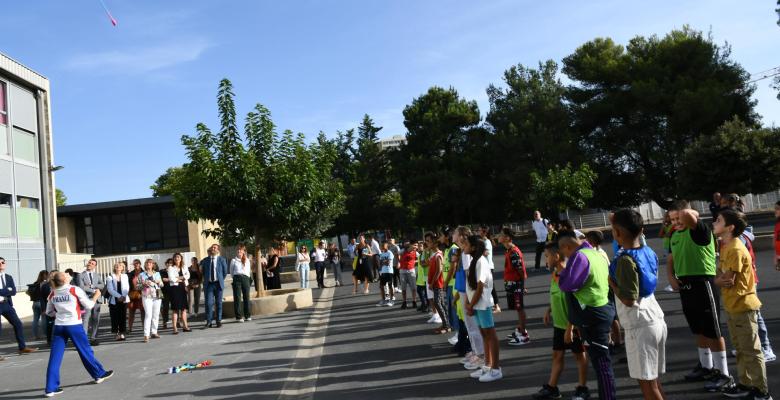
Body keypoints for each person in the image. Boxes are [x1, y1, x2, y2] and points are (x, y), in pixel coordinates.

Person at [667, 200, 732, 391]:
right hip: (686, 286)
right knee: (699, 329)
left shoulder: (700, 231)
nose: (676, 222)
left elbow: (687, 215)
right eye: (672, 219)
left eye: (678, 218)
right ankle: (706, 366)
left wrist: (687, 212)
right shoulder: (675, 235)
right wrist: (671, 276)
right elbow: (671, 259)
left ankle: (724, 374)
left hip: (703, 284)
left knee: (713, 330)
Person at [713, 210, 772, 400]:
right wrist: (718, 278)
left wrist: (717, 279)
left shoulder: (735, 249)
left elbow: (726, 279)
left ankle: (761, 391)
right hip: (733, 306)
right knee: (740, 348)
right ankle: (746, 383)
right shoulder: (725, 245)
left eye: (719, 220)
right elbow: (720, 275)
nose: (714, 222)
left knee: (751, 351)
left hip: (743, 306)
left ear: (729, 227)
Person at [609, 209, 667, 400]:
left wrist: (612, 284)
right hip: (654, 315)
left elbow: (628, 299)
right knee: (654, 381)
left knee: (648, 384)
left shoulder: (625, 260)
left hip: (640, 323)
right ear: (641, 230)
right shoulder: (647, 251)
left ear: (617, 233)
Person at [558, 231, 616, 400]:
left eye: (564, 253)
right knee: (601, 362)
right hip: (603, 307)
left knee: (602, 364)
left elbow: (568, 284)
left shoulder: (579, 257)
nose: (565, 257)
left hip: (592, 314)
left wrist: (562, 273)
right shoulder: (594, 253)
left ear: (566, 247)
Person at [533, 241, 590, 400]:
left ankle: (582, 388)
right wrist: (548, 310)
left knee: (579, 356)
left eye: (547, 256)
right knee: (557, 356)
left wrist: (570, 328)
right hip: (559, 324)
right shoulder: (555, 274)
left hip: (572, 326)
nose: (546, 260)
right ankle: (552, 388)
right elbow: (557, 295)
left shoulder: (569, 275)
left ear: (556, 256)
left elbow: (575, 303)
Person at [44, 271, 113, 397]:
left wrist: (60, 315)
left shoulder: (53, 292)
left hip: (59, 326)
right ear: (64, 279)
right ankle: (98, 374)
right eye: (65, 274)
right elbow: (89, 305)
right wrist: (96, 295)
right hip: (74, 325)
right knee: (85, 351)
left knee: (55, 357)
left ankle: (50, 388)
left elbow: (48, 312)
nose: (68, 274)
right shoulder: (74, 289)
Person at [464, 235, 502, 382]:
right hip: (477, 304)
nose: (464, 246)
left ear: (473, 247)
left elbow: (480, 287)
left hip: (483, 304)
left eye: (466, 244)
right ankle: (487, 365)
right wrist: (469, 303)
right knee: (484, 334)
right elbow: (471, 287)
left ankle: (496, 369)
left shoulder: (481, 261)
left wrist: (470, 305)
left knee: (490, 335)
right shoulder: (475, 261)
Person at [454, 227, 486, 372]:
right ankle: (476, 352)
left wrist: (467, 298)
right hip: (462, 291)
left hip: (466, 292)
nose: (452, 235)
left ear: (461, 236)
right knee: (469, 325)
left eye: (455, 232)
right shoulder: (461, 251)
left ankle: (480, 354)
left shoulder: (466, 254)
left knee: (473, 325)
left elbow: (468, 275)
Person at [0, 256, 38, 361]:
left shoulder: (8, 277)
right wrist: (6, 290)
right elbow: (8, 291)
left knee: (18, 324)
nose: (1, 264)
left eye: (2, 262)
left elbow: (13, 292)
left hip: (6, 304)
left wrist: (3, 290)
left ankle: (22, 348)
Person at [498, 227, 530, 346]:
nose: (499, 236)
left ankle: (524, 335)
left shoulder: (513, 252)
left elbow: (520, 270)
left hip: (516, 284)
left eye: (501, 234)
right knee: (518, 308)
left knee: (520, 308)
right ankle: (520, 329)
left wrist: (522, 286)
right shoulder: (508, 251)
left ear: (507, 238)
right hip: (512, 284)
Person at [426, 232, 450, 333]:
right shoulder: (433, 254)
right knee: (440, 303)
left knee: (438, 302)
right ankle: (446, 324)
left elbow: (439, 270)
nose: (427, 243)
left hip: (438, 284)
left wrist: (432, 283)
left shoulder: (438, 254)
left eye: (429, 241)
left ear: (435, 243)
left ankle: (446, 325)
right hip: (435, 283)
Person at [77, 259, 104, 346]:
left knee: (96, 319)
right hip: (86, 299)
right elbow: (81, 287)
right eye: (89, 263)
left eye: (92, 264)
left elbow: (102, 285)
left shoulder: (96, 275)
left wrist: (93, 286)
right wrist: (94, 291)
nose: (90, 264)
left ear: (95, 266)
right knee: (86, 319)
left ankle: (93, 338)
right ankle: (84, 340)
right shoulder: (81, 275)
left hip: (97, 300)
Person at [201, 244, 229, 328]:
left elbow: (224, 272)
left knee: (218, 303)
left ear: (218, 250)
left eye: (215, 248)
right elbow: (203, 272)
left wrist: (220, 279)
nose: (213, 249)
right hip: (209, 284)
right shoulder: (205, 260)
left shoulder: (222, 260)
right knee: (209, 303)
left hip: (218, 284)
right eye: (212, 247)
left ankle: (218, 320)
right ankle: (209, 321)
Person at [440, 230, 460, 343]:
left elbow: (453, 267)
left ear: (447, 236)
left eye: (442, 235)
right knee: (451, 309)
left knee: (455, 310)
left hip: (452, 284)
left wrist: (446, 282)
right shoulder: (447, 249)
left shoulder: (453, 248)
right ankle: (457, 333)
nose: (440, 237)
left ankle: (459, 334)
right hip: (449, 284)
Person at [138, 259, 162, 342]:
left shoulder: (157, 273)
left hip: (157, 296)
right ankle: (146, 335)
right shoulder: (141, 274)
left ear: (153, 265)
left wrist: (158, 282)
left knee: (156, 315)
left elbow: (161, 284)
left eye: (150, 263)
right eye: (147, 263)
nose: (149, 264)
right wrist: (143, 284)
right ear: (145, 265)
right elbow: (138, 287)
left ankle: (154, 332)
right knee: (148, 315)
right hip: (146, 296)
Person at [478, 226, 500, 313]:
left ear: (484, 232)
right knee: (487, 286)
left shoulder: (486, 242)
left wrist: (478, 250)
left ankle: (497, 306)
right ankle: (493, 305)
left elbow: (486, 253)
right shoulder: (484, 241)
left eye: (479, 230)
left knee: (491, 287)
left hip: (489, 267)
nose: (478, 232)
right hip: (485, 267)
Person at [168, 253, 192, 333]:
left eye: (178, 257)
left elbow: (188, 275)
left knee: (183, 309)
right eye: (175, 257)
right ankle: (174, 328)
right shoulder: (171, 268)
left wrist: (180, 277)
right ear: (173, 259)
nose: (176, 258)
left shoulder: (184, 267)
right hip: (175, 288)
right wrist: (179, 279)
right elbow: (171, 278)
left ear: (181, 258)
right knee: (175, 309)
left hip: (183, 288)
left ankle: (185, 326)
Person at [106, 262, 129, 341]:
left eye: (120, 266)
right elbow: (110, 289)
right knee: (114, 317)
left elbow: (127, 287)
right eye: (116, 266)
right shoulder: (110, 277)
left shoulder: (125, 276)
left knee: (122, 317)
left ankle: (122, 333)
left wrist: (123, 296)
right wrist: (119, 296)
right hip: (114, 300)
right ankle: (116, 334)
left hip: (123, 299)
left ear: (123, 268)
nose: (118, 267)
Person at [230, 245, 252, 322]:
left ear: (243, 251)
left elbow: (248, 271)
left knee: (246, 297)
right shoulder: (233, 260)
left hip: (245, 278)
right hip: (237, 279)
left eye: (240, 250)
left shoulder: (247, 260)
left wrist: (247, 278)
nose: (239, 251)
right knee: (237, 298)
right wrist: (235, 278)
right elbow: (231, 272)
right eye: (238, 250)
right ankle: (239, 317)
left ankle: (247, 315)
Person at [27, 269, 49, 340]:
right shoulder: (45, 283)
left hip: (35, 303)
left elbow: (27, 292)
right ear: (46, 275)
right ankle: (46, 334)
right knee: (44, 319)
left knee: (35, 320)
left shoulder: (35, 283)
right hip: (42, 303)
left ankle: (35, 335)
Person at [126, 259, 144, 334]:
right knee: (131, 312)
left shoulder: (144, 273)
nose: (136, 265)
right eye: (134, 264)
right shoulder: (130, 274)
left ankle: (144, 327)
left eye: (137, 263)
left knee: (143, 312)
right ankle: (129, 328)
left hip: (142, 294)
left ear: (140, 264)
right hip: (132, 294)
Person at [398, 242, 418, 309]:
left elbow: (420, 258)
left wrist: (414, 262)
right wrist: (399, 261)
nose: (414, 247)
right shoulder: (403, 251)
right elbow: (397, 254)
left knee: (414, 288)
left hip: (411, 271)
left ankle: (414, 301)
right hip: (402, 271)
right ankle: (404, 302)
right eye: (412, 246)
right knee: (403, 288)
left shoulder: (415, 252)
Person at [377, 241, 395, 307]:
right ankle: (383, 300)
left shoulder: (390, 253)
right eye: (381, 245)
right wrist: (384, 262)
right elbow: (380, 263)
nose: (381, 246)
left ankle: (392, 300)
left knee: (390, 286)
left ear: (387, 246)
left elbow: (388, 263)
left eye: (383, 245)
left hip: (389, 271)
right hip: (383, 272)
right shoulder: (381, 254)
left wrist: (383, 262)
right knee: (381, 286)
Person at [416, 241, 430, 314]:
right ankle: (423, 304)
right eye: (418, 246)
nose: (418, 247)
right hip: (420, 277)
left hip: (425, 276)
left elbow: (425, 264)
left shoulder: (426, 254)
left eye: (420, 246)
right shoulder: (420, 255)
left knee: (425, 293)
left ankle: (427, 306)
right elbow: (419, 266)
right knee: (419, 291)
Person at [159, 259, 172, 330]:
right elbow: (161, 279)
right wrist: (171, 279)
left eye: (171, 263)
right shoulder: (162, 271)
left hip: (174, 291)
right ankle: (165, 322)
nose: (169, 264)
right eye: (168, 263)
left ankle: (177, 322)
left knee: (175, 308)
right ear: (166, 264)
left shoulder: (174, 270)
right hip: (165, 291)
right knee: (165, 308)